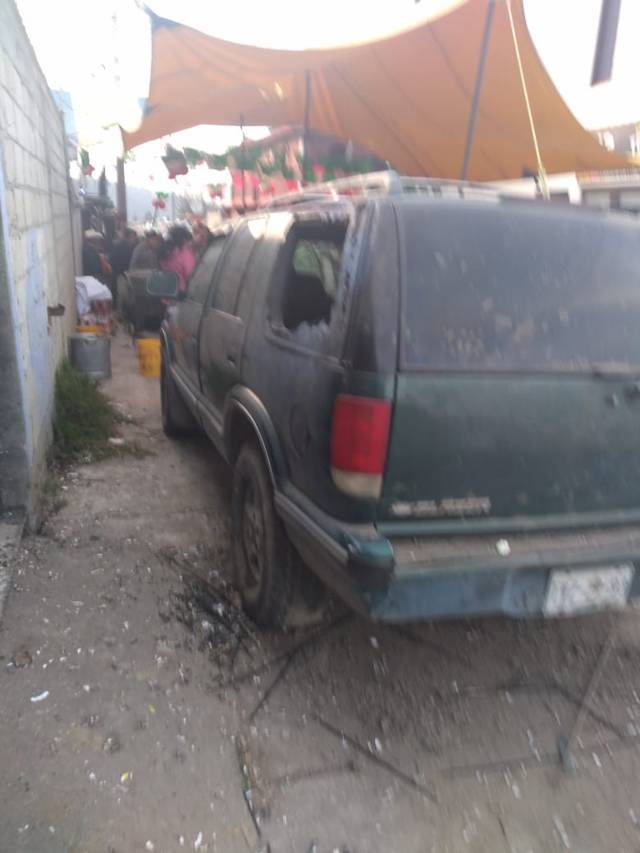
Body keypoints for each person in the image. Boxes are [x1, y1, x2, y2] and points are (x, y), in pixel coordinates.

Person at [159, 225, 196, 295]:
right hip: (181, 292)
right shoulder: (185, 254)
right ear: (184, 240)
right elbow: (191, 276)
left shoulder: (164, 252)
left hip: (165, 292)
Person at [109, 227, 138, 305]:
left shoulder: (128, 247)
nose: (134, 239)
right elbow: (114, 261)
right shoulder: (123, 247)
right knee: (122, 296)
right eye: (133, 237)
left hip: (120, 274)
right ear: (128, 237)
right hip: (121, 275)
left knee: (121, 295)